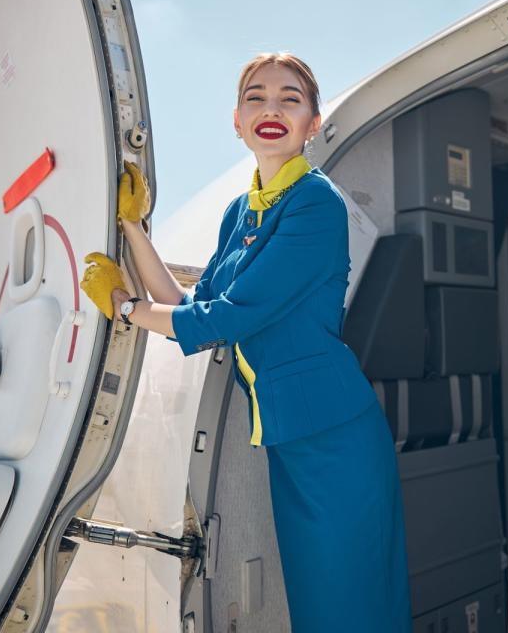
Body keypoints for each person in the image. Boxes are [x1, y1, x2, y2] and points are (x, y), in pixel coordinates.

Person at [79, 52, 413, 631]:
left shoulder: (316, 203)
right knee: (318, 606)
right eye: (256, 97)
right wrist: (133, 228)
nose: (271, 109)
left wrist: (124, 308)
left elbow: (227, 320)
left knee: (350, 608)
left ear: (312, 122)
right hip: (292, 439)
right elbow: (192, 307)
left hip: (337, 439)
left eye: (290, 99)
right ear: (237, 121)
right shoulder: (242, 211)